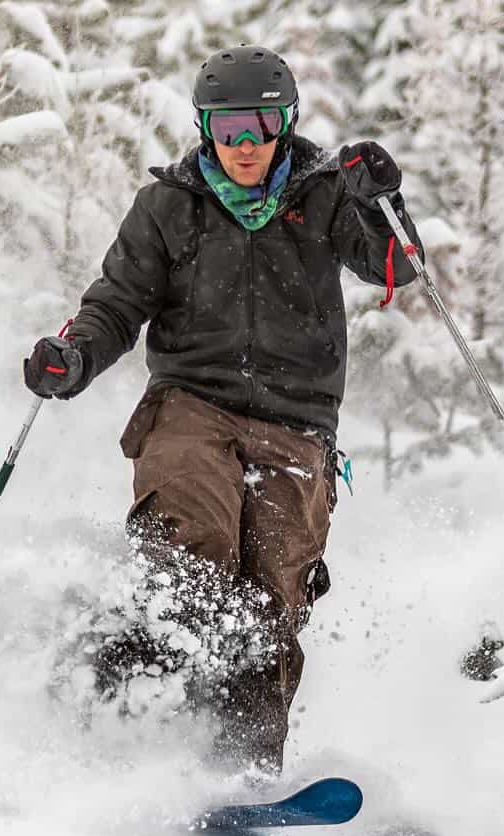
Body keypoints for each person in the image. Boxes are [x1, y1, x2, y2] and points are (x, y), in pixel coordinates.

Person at [23, 45, 424, 775]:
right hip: (191, 405)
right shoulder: (168, 207)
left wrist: (377, 196)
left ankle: (241, 769)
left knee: (273, 598)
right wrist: (74, 357)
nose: (245, 145)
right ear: (205, 128)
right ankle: (128, 725)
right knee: (192, 550)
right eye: (228, 126)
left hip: (297, 423)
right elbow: (116, 303)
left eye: (261, 125)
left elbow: (396, 267)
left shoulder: (325, 194)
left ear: (287, 122)